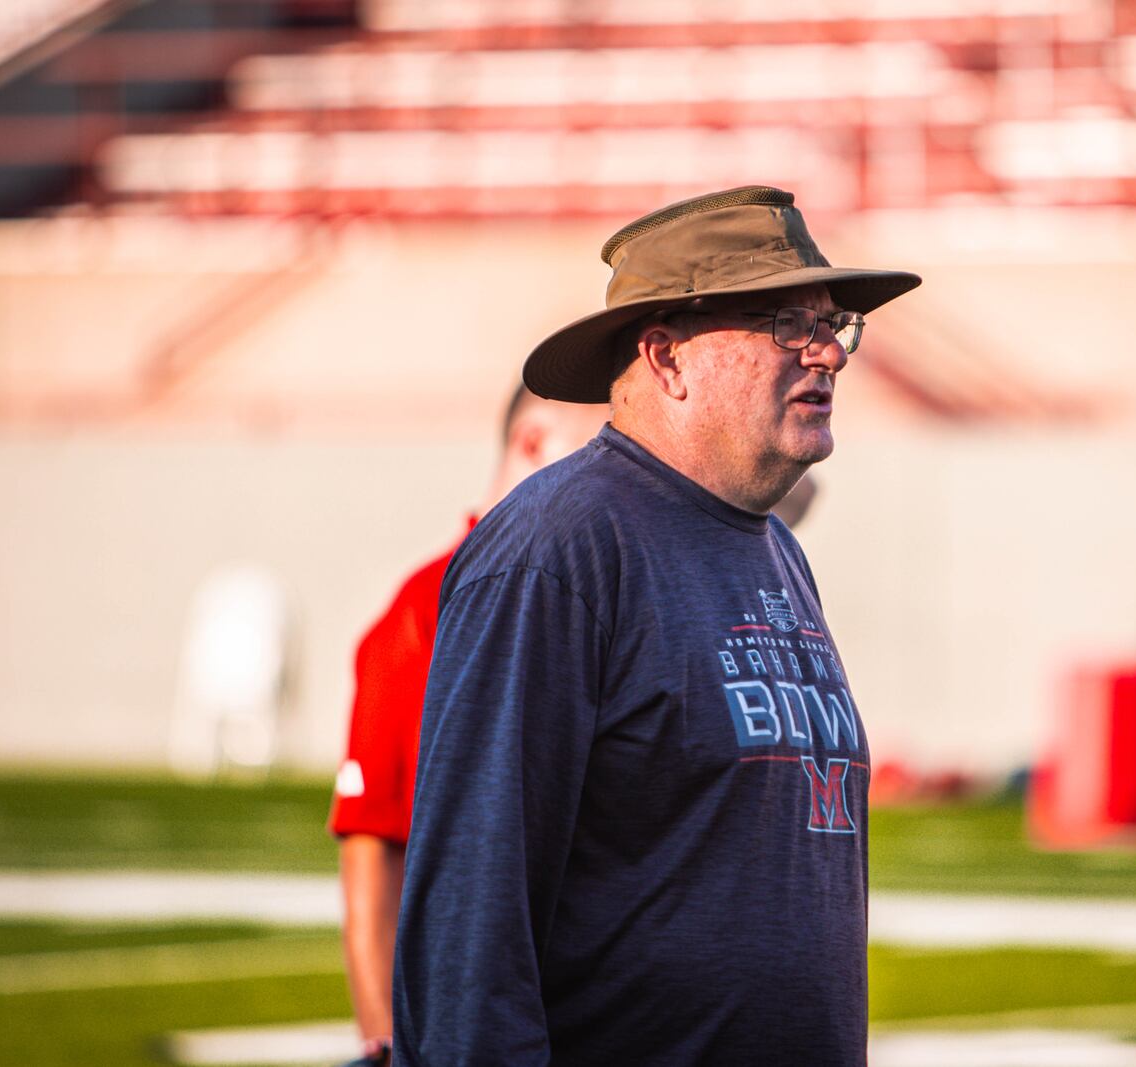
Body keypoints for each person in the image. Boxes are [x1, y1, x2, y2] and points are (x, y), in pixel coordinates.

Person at [392, 186, 920, 1066]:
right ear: (666, 356)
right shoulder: (557, 553)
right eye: (787, 323)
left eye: (835, 325)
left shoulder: (777, 551)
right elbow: (471, 919)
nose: (829, 351)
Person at [328, 384, 607, 1066]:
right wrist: (387, 1039)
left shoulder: (604, 580)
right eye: (603, 451)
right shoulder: (430, 605)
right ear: (534, 442)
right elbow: (375, 838)